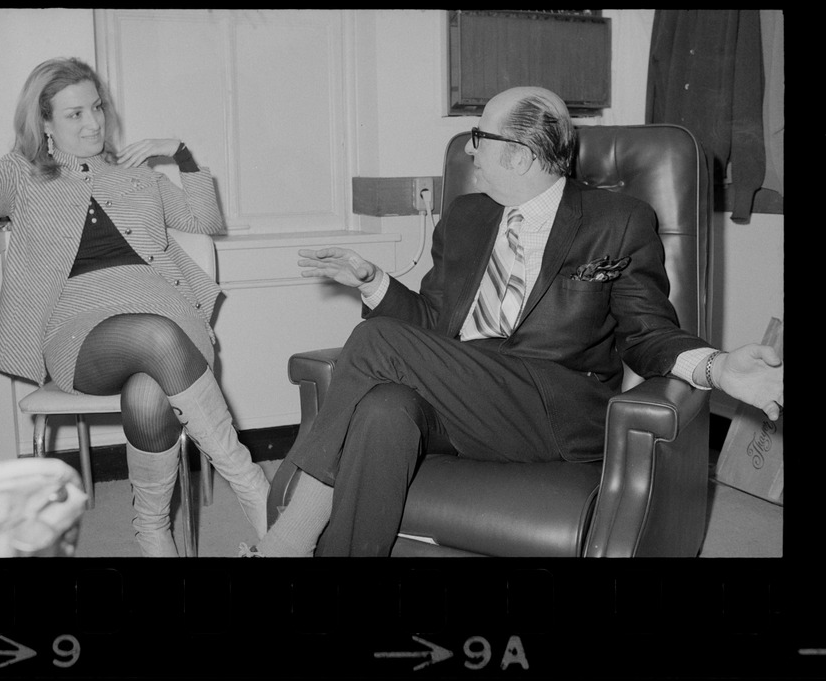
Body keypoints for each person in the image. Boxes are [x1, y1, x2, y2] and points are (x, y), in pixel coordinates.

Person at [240, 86, 784, 558]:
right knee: (384, 409)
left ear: (521, 155)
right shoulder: (466, 217)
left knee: (375, 339)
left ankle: (286, 542)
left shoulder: (616, 220)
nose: (470, 148)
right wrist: (371, 280)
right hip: (465, 399)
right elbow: (432, 324)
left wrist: (718, 368)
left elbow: (650, 334)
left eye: (481, 136)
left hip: (551, 409)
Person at [0, 57, 269, 557]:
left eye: (97, 107)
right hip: (80, 338)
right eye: (73, 115)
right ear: (43, 123)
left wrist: (182, 154)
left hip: (171, 320)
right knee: (154, 336)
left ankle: (152, 531)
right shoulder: (23, 175)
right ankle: (251, 481)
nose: (92, 123)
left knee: (150, 389)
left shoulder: (136, 176)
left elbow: (205, 217)